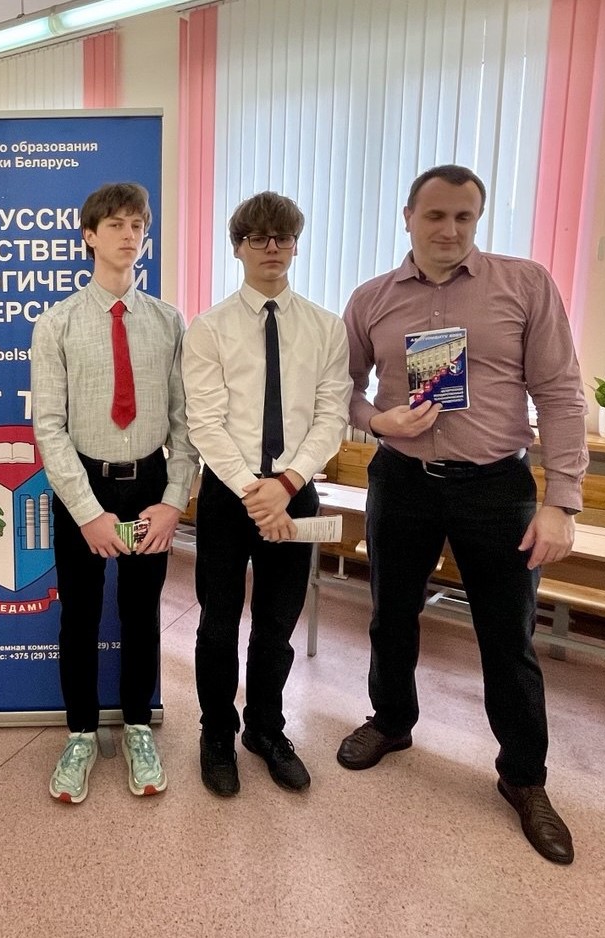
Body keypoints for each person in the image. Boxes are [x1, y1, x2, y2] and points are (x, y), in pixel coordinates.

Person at [339, 164, 587, 865]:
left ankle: (524, 778)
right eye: (435, 216)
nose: (449, 230)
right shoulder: (371, 299)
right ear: (408, 217)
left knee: (507, 637)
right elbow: (342, 390)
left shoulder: (525, 285)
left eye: (464, 217)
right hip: (403, 481)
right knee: (391, 615)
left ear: (477, 219)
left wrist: (562, 501)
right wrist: (377, 420)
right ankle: (392, 722)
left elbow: (561, 393)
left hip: (496, 487)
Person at [31, 182, 197, 804]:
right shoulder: (58, 323)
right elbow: (49, 427)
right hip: (85, 484)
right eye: (116, 225)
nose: (129, 235)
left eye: (138, 226)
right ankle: (79, 733)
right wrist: (87, 513)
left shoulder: (168, 321)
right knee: (78, 615)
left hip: (149, 483)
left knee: (141, 612)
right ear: (89, 236)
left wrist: (174, 500)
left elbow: (184, 421)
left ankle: (136, 727)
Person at [182, 192, 350, 797]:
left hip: (294, 493)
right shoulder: (209, 328)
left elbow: (331, 417)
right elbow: (204, 421)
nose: (272, 247)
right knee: (218, 624)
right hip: (229, 496)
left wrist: (287, 483)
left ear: (296, 245)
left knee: (277, 625)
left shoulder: (326, 328)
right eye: (258, 238)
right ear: (239, 248)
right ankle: (216, 734)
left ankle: (266, 729)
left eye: (283, 237)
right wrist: (255, 491)